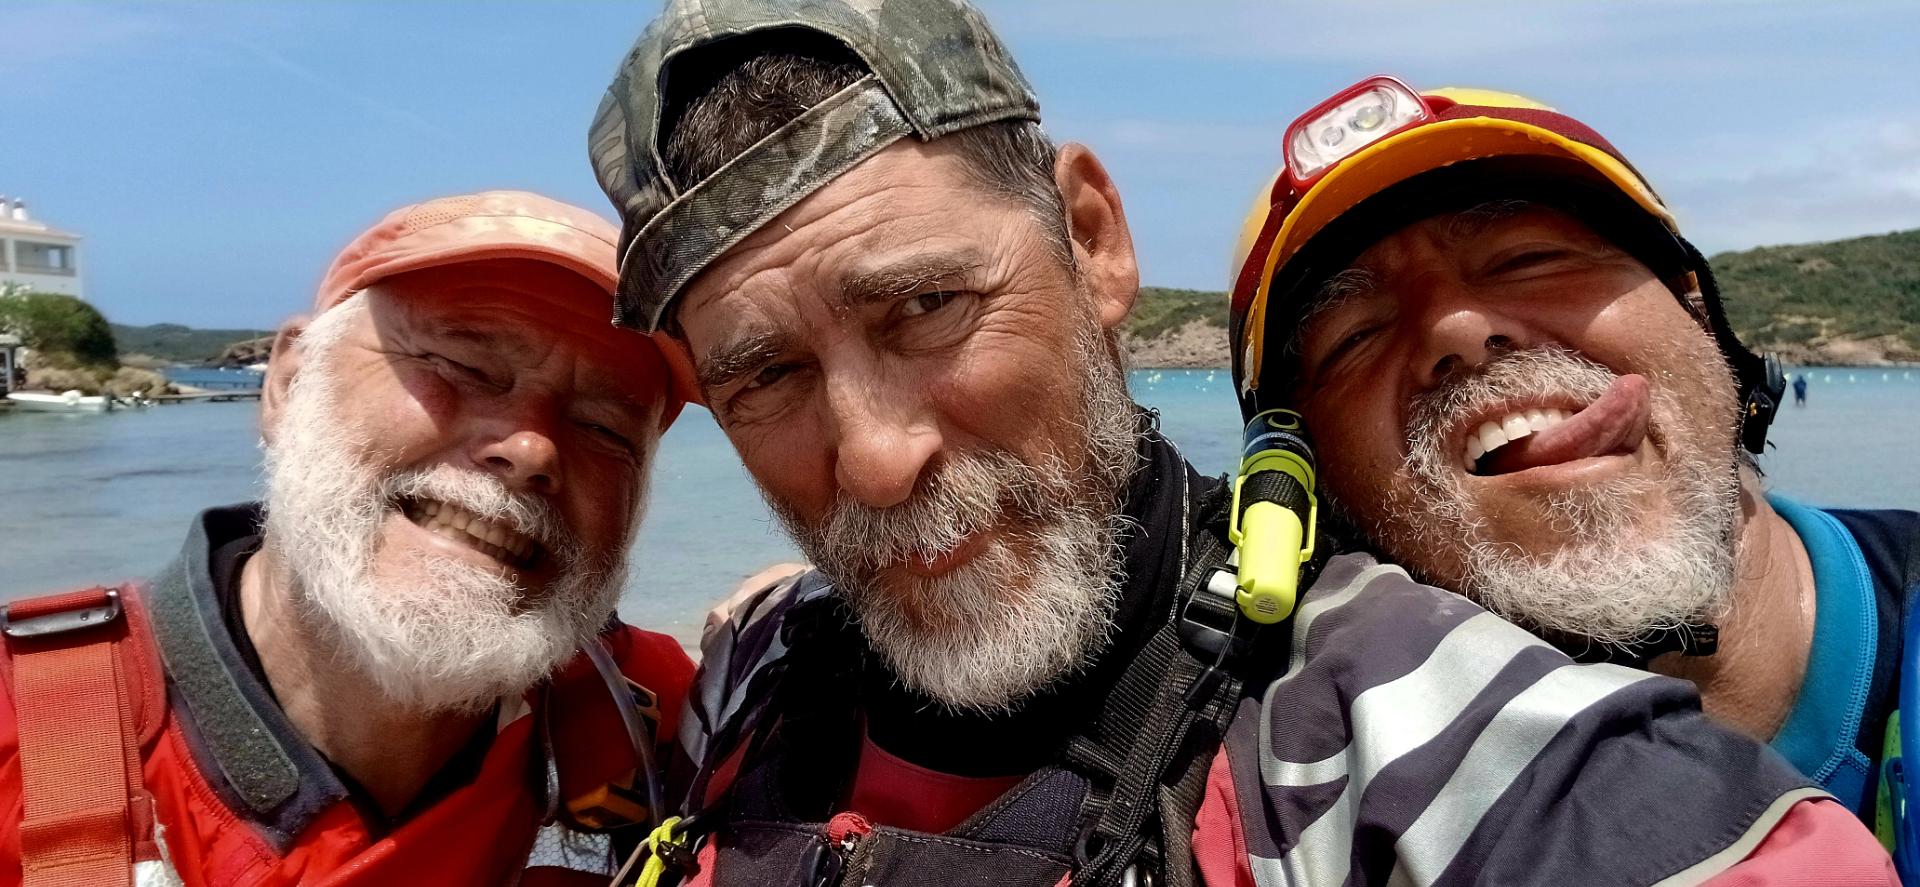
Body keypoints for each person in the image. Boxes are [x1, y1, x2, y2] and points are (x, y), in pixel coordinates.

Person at [587, 4, 1894, 884]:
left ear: (1093, 240)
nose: (873, 460)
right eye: (766, 375)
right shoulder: (754, 670)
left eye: (928, 305)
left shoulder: (1424, 731)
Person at [1227, 76, 1920, 873]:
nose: (1458, 327)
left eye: (1529, 258)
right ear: (1314, 482)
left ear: (1696, 310)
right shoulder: (1293, 804)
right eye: (1355, 334)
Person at [0, 191, 699, 886]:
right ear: (290, 380)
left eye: (605, 427)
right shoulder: (26, 735)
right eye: (462, 366)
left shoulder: (659, 720)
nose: (531, 448)